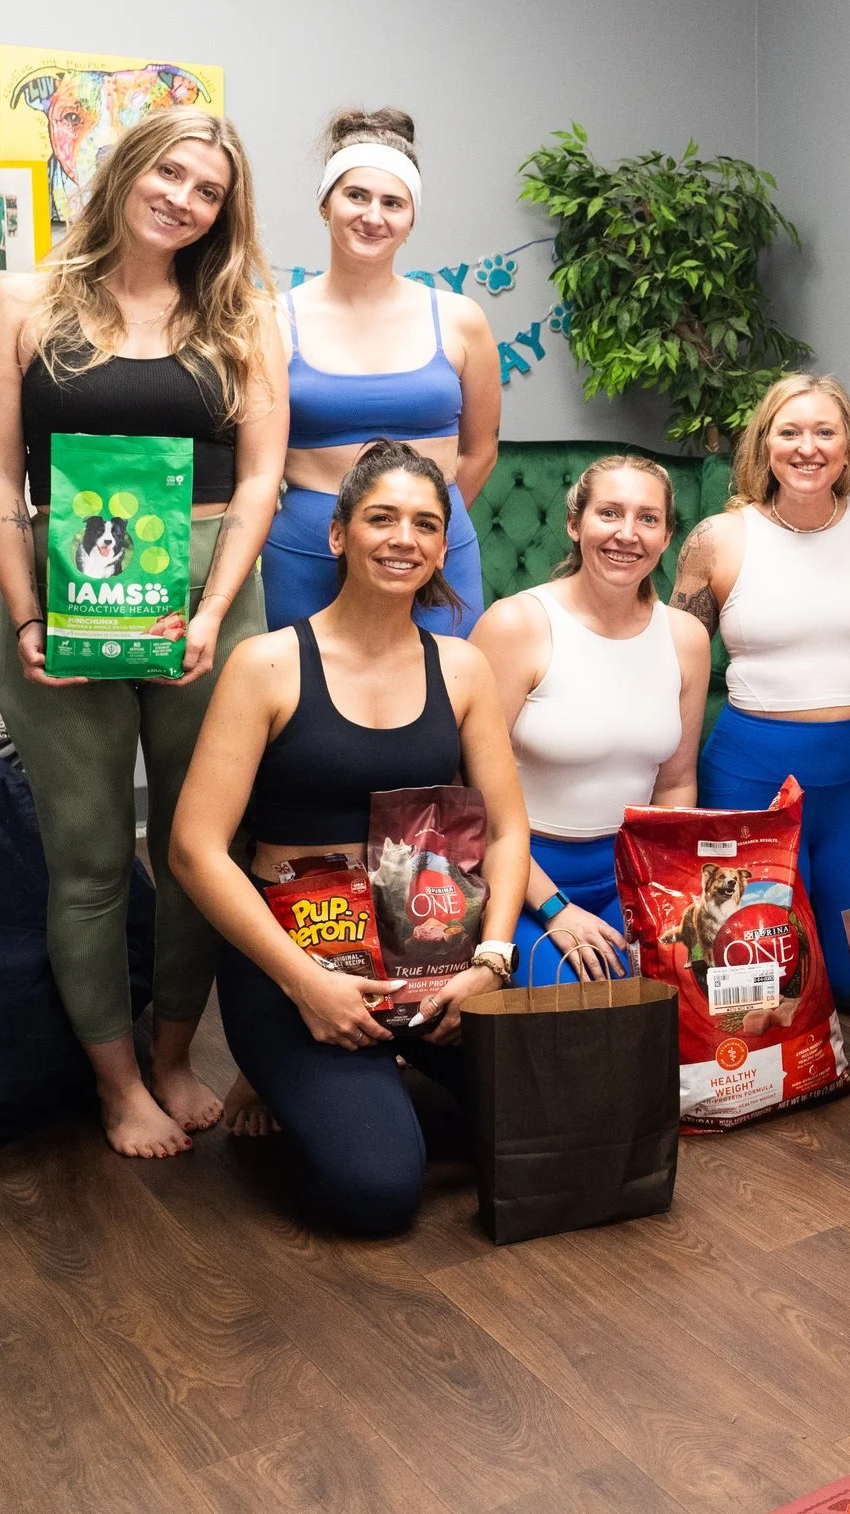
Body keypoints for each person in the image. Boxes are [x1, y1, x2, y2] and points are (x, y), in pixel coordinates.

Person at [0, 105, 287, 1159]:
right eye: (173, 175)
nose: (185, 201)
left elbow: (263, 474)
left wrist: (212, 606)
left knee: (201, 847)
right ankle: (116, 1084)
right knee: (92, 855)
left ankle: (178, 1056)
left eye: (209, 192)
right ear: (128, 169)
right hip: (65, 591)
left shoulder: (244, 316)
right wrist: (27, 614)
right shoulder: (18, 302)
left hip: (210, 596)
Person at [171, 442, 528, 1235]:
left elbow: (506, 828)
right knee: (374, 1195)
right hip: (300, 962)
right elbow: (195, 847)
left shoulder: (463, 670)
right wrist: (307, 985)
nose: (404, 538)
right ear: (339, 535)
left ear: (442, 547)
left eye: (425, 524)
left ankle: (364, 1077)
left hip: (431, 960)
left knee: (560, 1118)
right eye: (382, 518)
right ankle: (289, 1078)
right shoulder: (267, 666)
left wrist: (489, 964)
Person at [670, 374, 850, 1005]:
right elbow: (675, 676)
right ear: (764, 444)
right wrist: (674, 791)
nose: (808, 447)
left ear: (848, 447)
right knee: (767, 982)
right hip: (754, 778)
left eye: (825, 432)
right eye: (790, 431)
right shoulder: (718, 539)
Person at [472, 455, 713, 984]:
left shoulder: (687, 639)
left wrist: (664, 891)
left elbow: (676, 783)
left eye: (648, 519)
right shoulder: (516, 624)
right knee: (575, 1011)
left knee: (688, 997)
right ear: (574, 523)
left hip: (628, 871)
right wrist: (555, 909)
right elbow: (469, 793)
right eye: (609, 513)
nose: (627, 534)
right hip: (517, 872)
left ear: (667, 535)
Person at [262, 108, 500, 635]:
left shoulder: (461, 319)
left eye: (393, 203)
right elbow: (253, 461)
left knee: (441, 698)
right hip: (307, 550)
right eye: (356, 196)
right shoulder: (272, 321)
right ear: (325, 205)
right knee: (304, 704)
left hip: (434, 554)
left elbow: (479, 450)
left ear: (411, 221)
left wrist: (419, 529)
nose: (374, 216)